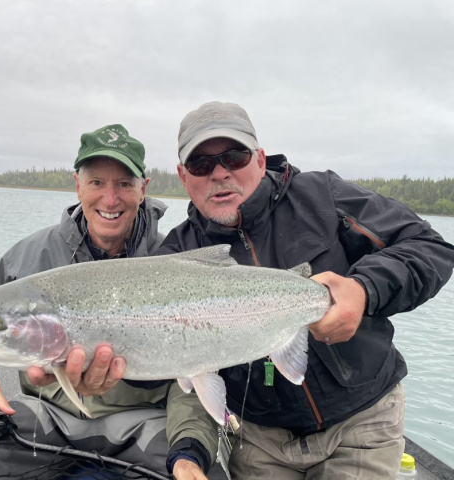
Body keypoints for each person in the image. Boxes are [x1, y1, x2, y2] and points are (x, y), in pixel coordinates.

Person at [158, 101, 454, 479]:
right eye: (202, 165)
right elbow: (177, 366)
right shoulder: (178, 256)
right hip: (260, 441)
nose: (219, 173)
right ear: (184, 178)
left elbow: (429, 246)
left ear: (261, 161)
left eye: (235, 157)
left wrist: (363, 291)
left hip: (362, 424)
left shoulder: (322, 197)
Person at [0, 124, 224, 479]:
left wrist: (188, 451)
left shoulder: (172, 258)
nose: (110, 198)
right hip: (49, 415)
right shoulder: (32, 255)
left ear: (143, 190)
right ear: (78, 185)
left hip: (144, 423)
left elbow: (197, 363)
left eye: (124, 184)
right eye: (97, 182)